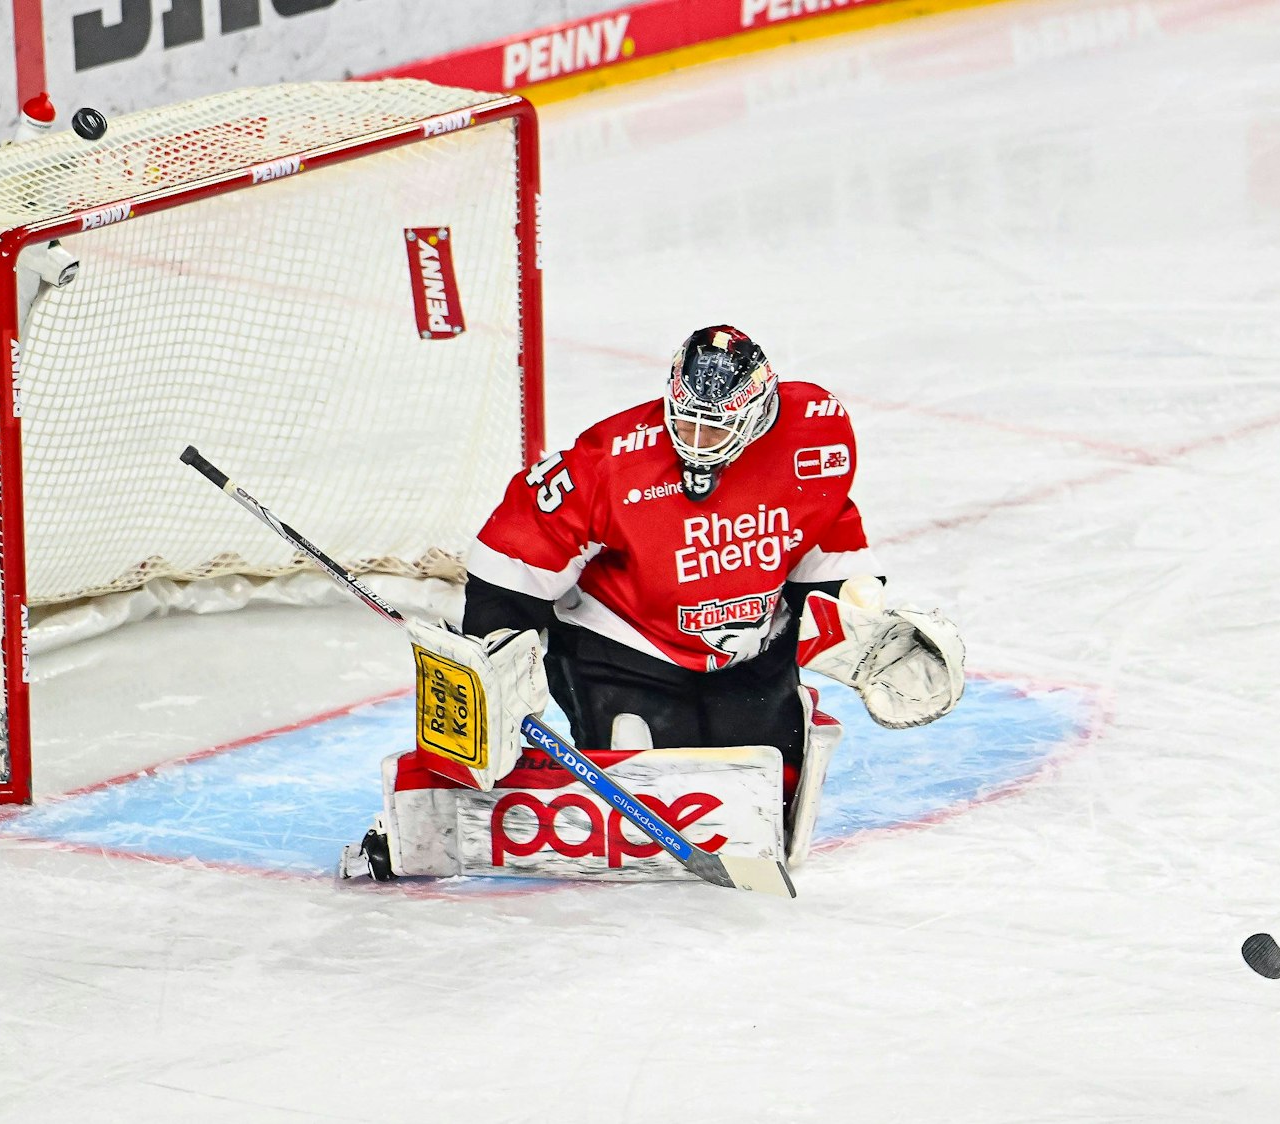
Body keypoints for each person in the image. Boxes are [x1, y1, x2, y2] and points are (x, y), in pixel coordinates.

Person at [346, 326, 963, 881]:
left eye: (714, 427)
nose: (695, 441)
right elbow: (516, 551)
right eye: (684, 420)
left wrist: (853, 620)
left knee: (763, 797)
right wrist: (496, 650)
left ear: (756, 414)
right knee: (648, 794)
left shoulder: (815, 430)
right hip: (624, 645)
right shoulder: (613, 460)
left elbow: (821, 524)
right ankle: (432, 816)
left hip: (752, 646)